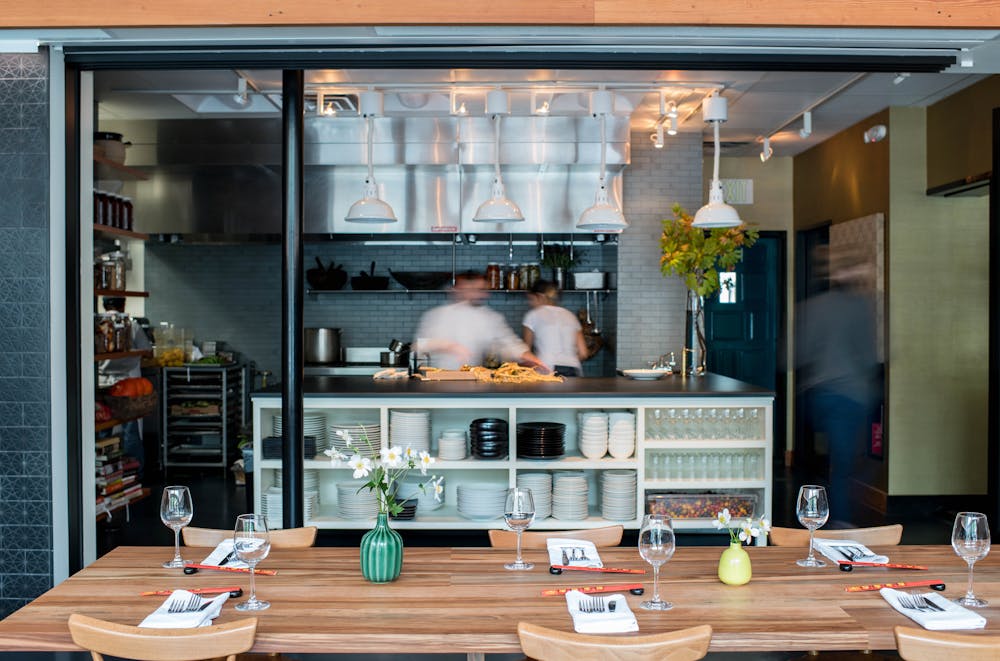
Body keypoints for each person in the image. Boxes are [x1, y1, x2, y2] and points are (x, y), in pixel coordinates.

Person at [796, 245, 879, 525]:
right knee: (848, 465)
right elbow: (869, 356)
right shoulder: (862, 306)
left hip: (819, 394)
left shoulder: (813, 307)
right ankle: (840, 523)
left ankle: (814, 509)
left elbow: (797, 354)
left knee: (835, 460)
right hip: (850, 395)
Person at [414, 271, 547, 371]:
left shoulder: (490, 317)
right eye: (475, 289)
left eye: (482, 290)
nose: (482, 294)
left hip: (472, 381)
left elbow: (509, 342)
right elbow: (418, 346)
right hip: (437, 383)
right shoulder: (436, 315)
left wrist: (526, 355)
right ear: (459, 289)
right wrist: (448, 346)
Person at [98, 297, 153, 474]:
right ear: (123, 304)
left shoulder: (96, 324)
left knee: (103, 429)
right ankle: (134, 473)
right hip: (127, 384)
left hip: (102, 383)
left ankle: (102, 472)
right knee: (131, 429)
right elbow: (147, 350)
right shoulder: (131, 324)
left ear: (103, 305)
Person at [522, 280, 589, 377]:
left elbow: (525, 352)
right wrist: (567, 361)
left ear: (540, 297)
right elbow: (583, 353)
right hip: (573, 368)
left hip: (547, 368)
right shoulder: (570, 316)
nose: (530, 303)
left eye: (531, 299)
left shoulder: (532, 315)